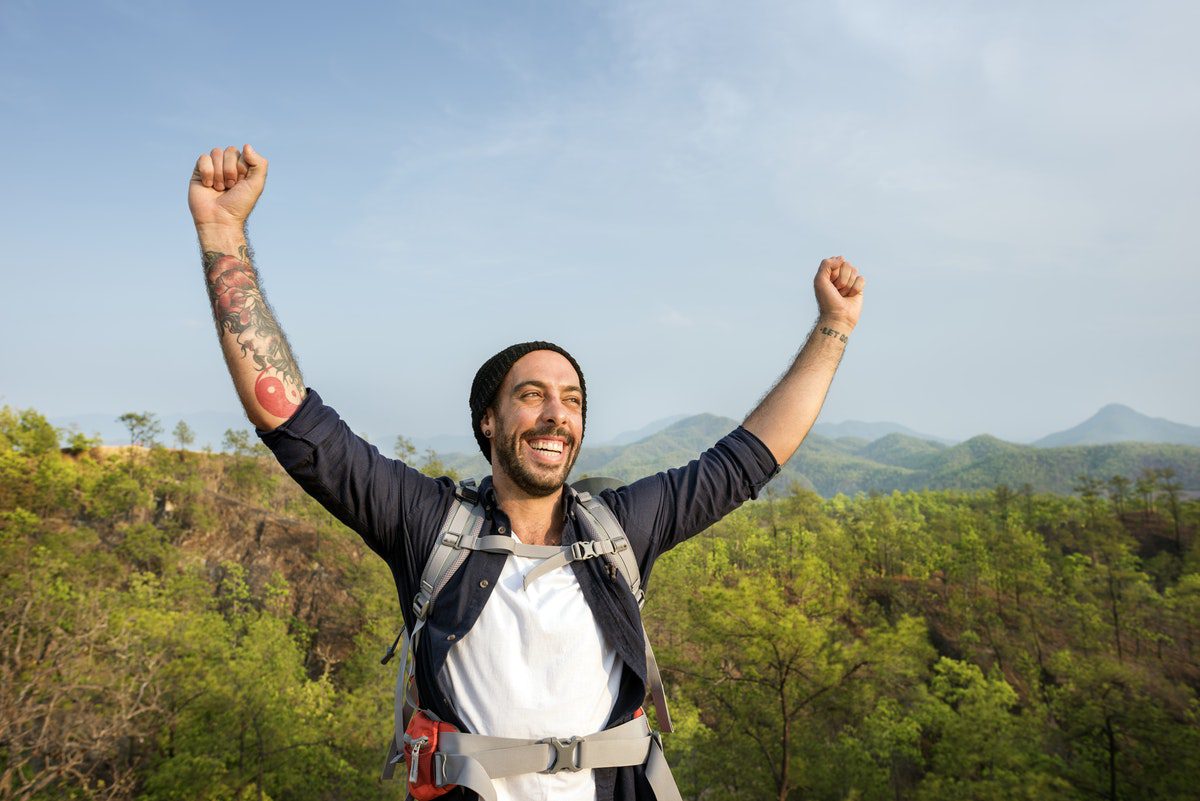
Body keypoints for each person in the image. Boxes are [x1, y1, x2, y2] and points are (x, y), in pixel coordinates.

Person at [188, 144, 865, 801]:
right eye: (532, 394)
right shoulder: (431, 528)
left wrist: (832, 328)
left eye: (571, 400)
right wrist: (222, 232)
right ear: (489, 419)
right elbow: (295, 425)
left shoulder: (619, 531)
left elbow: (747, 459)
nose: (555, 415)